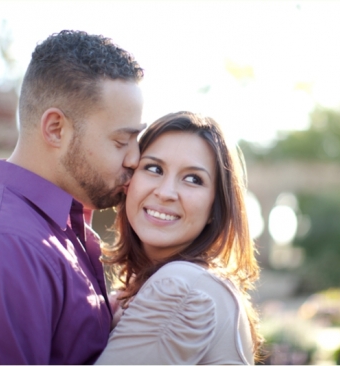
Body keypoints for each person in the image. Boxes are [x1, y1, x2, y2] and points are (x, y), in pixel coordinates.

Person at [0, 30, 145, 364]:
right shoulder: (3, 247)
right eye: (120, 141)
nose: (135, 158)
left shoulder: (52, 231)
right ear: (56, 128)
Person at [96, 111, 262, 365]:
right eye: (154, 168)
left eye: (193, 179)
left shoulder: (181, 287)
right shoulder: (141, 290)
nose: (165, 193)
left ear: (214, 208)